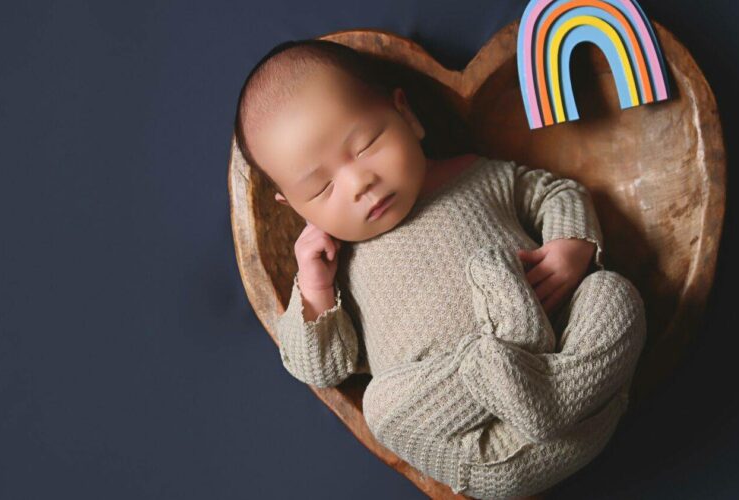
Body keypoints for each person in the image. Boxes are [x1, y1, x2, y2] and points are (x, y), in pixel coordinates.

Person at [233, 38, 647, 499]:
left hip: (567, 379)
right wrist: (313, 288)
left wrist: (570, 248)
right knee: (382, 408)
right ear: (295, 208)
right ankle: (521, 387)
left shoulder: (478, 173)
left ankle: (552, 397)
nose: (358, 183)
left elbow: (557, 192)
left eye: (367, 144)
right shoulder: (335, 261)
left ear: (405, 114)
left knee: (612, 294)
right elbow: (324, 368)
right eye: (322, 188)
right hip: (492, 448)